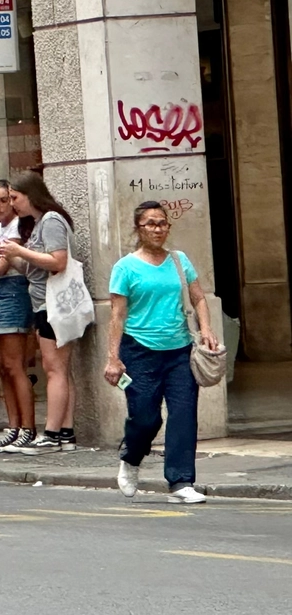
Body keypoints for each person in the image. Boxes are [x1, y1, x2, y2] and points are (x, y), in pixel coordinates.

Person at [105, 201, 219, 505]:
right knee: (146, 418)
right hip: (139, 351)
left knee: (183, 414)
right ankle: (131, 457)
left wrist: (206, 328)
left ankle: (181, 481)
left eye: (163, 223)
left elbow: (199, 299)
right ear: (138, 228)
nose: (158, 229)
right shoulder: (125, 267)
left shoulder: (180, 261)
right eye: (151, 223)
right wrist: (113, 358)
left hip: (180, 351)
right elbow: (117, 316)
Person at [0, 172, 79, 454]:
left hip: (53, 304)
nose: (12, 204)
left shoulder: (51, 221)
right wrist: (13, 256)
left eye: (14, 198)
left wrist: (21, 251)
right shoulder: (41, 224)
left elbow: (57, 261)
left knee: (54, 368)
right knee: (60, 369)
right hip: (47, 302)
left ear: (29, 195)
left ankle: (53, 433)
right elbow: (35, 268)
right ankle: (65, 432)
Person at [0, 180, 36, 451]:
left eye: (4, 199)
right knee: (1, 368)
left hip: (14, 294)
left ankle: (28, 426)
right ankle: (13, 425)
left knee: (15, 366)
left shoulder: (19, 228)